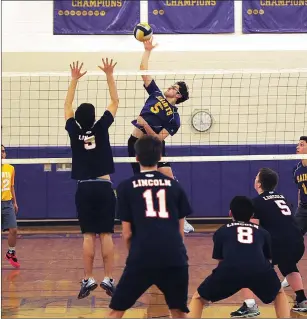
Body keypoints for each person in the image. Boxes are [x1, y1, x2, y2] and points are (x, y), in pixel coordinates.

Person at [107, 135, 193, 318]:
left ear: (136, 157)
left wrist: (135, 255)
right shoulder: (175, 187)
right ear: (160, 157)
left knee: (117, 311)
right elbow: (180, 231)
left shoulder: (125, 187)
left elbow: (127, 233)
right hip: (173, 255)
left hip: (142, 255)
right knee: (178, 311)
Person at [64, 59, 119, 299]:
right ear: (95, 116)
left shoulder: (74, 130)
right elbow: (115, 101)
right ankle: (108, 278)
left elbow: (67, 105)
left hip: (84, 188)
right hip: (104, 187)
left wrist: (74, 80)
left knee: (88, 235)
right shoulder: (101, 128)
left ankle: (88, 279)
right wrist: (109, 75)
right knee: (106, 234)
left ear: (77, 119)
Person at [128, 37, 194, 233]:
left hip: (154, 145)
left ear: (179, 95)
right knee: (142, 182)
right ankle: (145, 218)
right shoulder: (155, 93)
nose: (170, 87)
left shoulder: (175, 118)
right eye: (172, 85)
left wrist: (146, 124)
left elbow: (158, 139)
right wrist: (147, 50)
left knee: (169, 180)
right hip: (135, 143)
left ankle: (181, 217)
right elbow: (143, 71)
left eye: (174, 87)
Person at [188, 196, 290, 319]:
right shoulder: (263, 232)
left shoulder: (222, 231)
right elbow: (267, 260)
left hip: (230, 269)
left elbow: (221, 260)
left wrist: (221, 282)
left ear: (230, 213)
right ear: (252, 215)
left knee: (198, 298)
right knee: (279, 293)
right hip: (259, 269)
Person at [230, 168, 306, 317]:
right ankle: (302, 300)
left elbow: (252, 229)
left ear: (258, 183)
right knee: (289, 266)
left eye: (256, 177)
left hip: (277, 245)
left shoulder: (256, 202)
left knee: (244, 265)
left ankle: (250, 305)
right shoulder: (284, 199)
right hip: (298, 243)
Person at [282, 136, 307, 289]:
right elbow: (299, 190)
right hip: (303, 210)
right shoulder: (297, 169)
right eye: (298, 144)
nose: (298, 147)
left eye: (302, 144)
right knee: (291, 241)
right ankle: (290, 274)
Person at [1, 144, 19, 268]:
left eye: (3, 151)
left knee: (14, 230)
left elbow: (11, 186)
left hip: (7, 203)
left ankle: (11, 252)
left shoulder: (10, 168)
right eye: (1, 151)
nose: (2, 153)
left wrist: (15, 202)